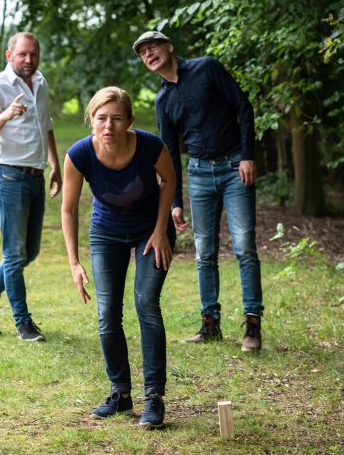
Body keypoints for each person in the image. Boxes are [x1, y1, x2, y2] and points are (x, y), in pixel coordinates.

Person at [133, 30, 264, 352]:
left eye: (154, 47)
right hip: (199, 175)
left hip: (235, 167)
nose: (150, 54)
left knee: (244, 246)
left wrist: (248, 155)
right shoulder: (163, 101)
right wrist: (175, 201)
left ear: (169, 47)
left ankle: (252, 326)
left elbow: (243, 107)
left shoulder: (208, 68)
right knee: (204, 253)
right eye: (143, 52)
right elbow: (169, 154)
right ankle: (210, 324)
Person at [61, 86, 176, 428]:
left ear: (129, 121)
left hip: (149, 230)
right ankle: (121, 394)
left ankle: (154, 398)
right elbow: (68, 210)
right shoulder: (79, 154)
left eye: (116, 119)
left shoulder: (150, 146)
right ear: (91, 120)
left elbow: (169, 179)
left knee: (146, 303)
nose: (108, 126)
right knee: (107, 313)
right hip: (107, 232)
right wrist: (74, 262)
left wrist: (160, 229)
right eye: (101, 118)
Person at [0, 31, 61, 342]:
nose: (29, 60)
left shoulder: (41, 83)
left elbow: (45, 125)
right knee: (14, 253)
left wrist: (55, 165)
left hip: (35, 176)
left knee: (27, 251)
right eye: (22, 55)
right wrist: (6, 114)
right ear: (9, 55)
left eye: (33, 54)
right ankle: (24, 324)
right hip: (8, 176)